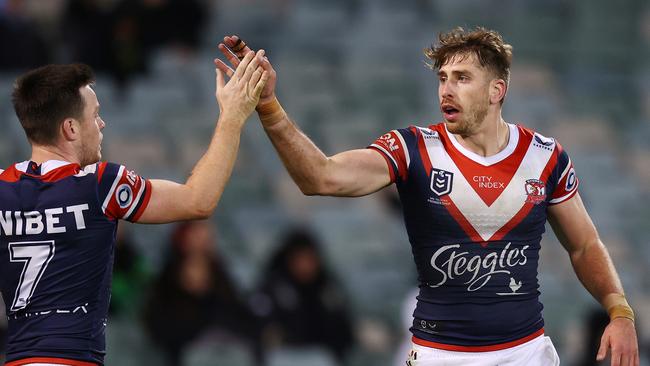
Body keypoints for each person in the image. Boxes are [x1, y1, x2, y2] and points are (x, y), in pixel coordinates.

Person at [215, 28, 639, 366]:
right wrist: (269, 106)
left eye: (461, 78)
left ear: (497, 90)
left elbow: (584, 245)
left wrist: (619, 311)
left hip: (524, 353)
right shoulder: (412, 149)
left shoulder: (545, 156)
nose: (446, 91)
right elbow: (320, 177)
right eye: (442, 79)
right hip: (439, 354)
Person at [0, 49, 268, 365]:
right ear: (71, 128)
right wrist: (232, 115)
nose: (101, 123)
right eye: (94, 114)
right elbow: (199, 200)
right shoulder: (99, 183)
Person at [143, 220, 262, 366]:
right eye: (197, 236)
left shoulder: (222, 277)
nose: (203, 241)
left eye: (207, 236)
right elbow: (160, 326)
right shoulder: (166, 282)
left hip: (225, 348)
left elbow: (239, 315)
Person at [254, 227, 354, 364]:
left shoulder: (326, 289)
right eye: (301, 259)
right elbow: (263, 329)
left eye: (310, 259)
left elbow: (342, 330)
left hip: (322, 357)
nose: (306, 265)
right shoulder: (272, 288)